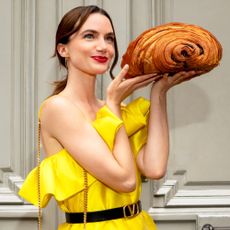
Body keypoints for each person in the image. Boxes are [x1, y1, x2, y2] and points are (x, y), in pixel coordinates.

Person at [19, 5, 199, 230]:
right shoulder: (58, 109)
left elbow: (154, 168)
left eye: (109, 38)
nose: (103, 47)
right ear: (63, 50)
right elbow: (125, 180)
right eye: (89, 36)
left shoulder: (116, 109)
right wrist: (113, 104)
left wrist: (159, 92)